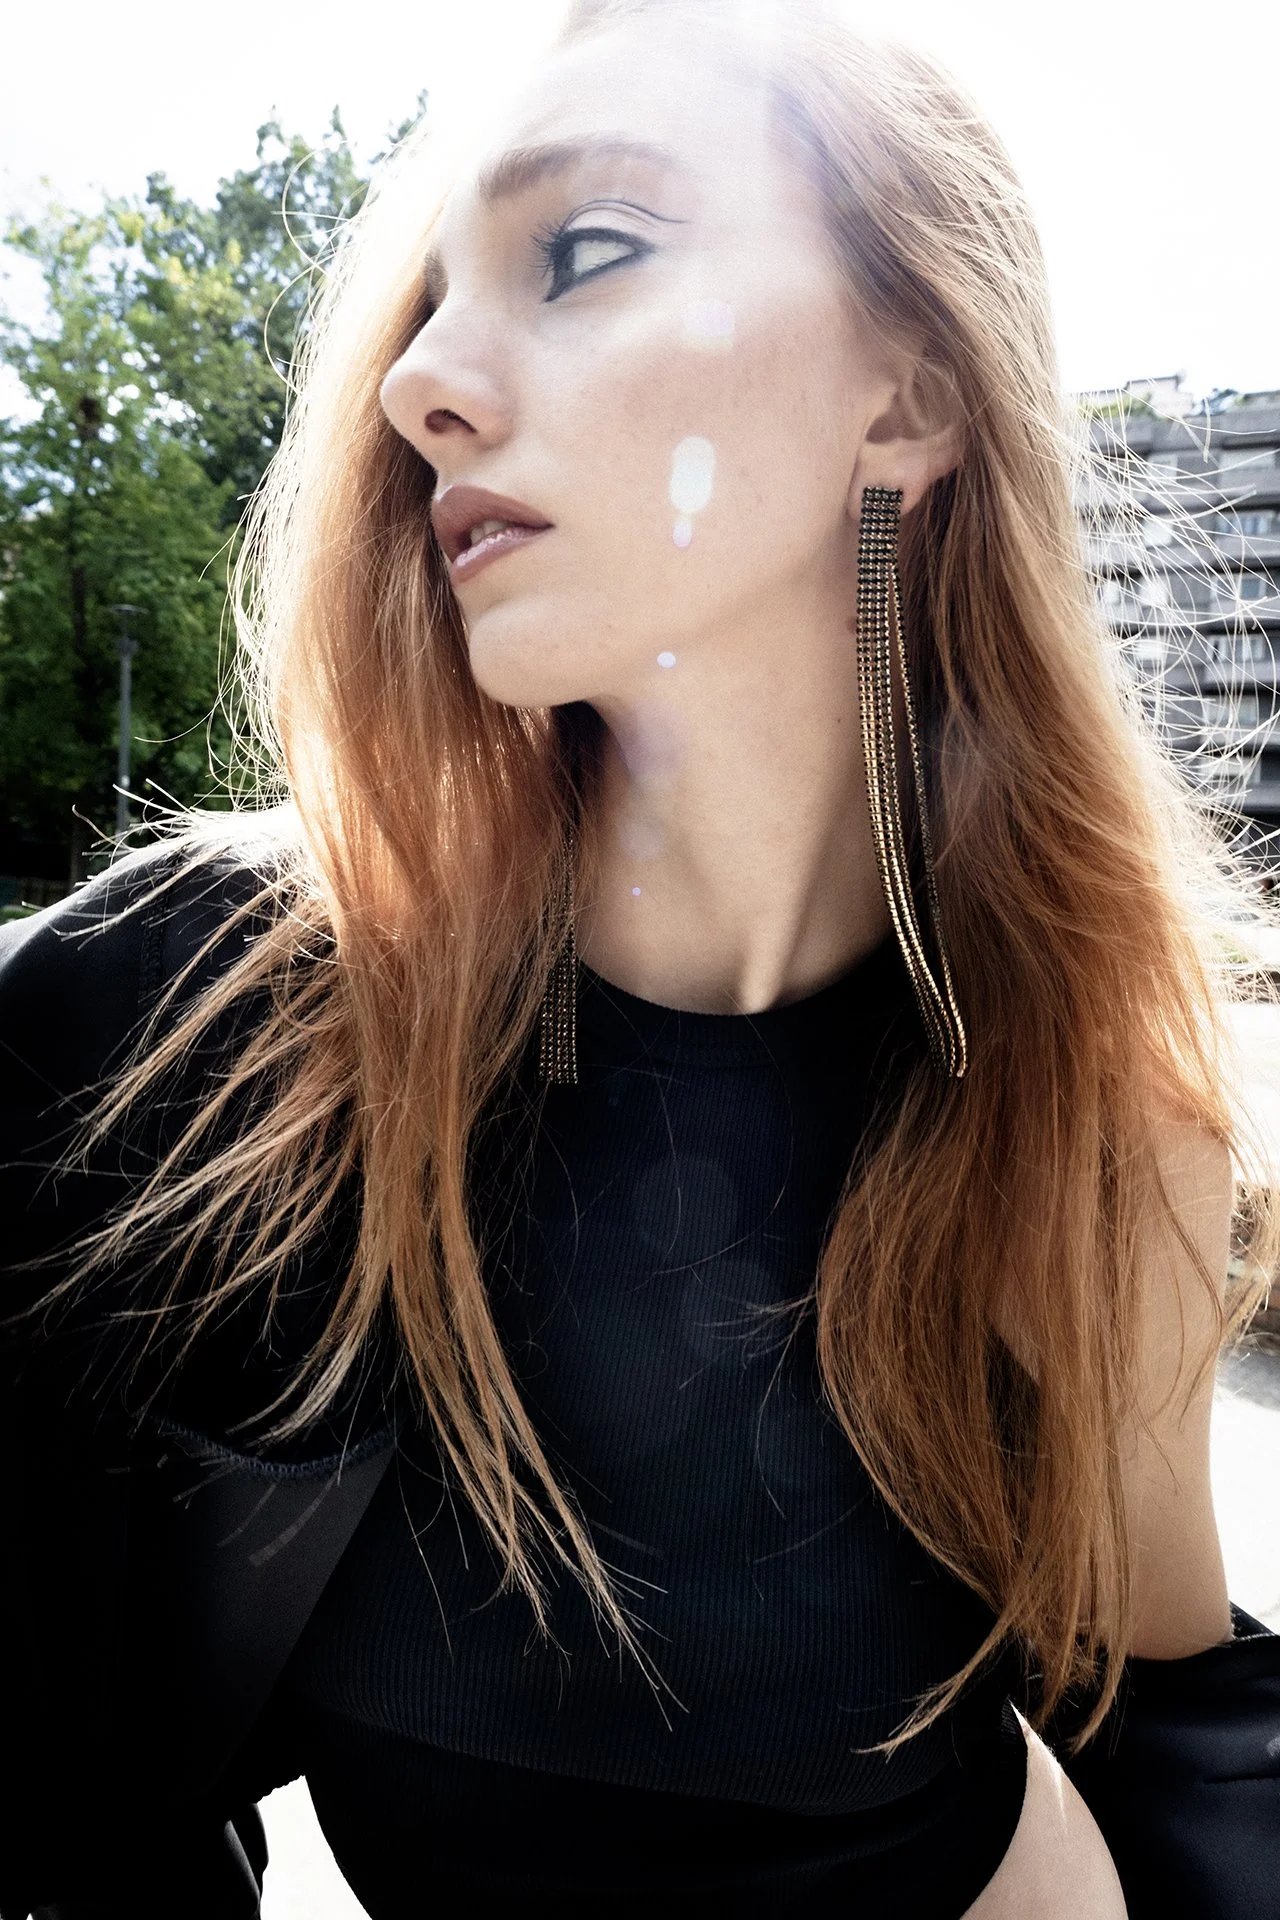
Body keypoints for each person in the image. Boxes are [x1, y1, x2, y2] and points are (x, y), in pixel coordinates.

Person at [2, 2, 1278, 1916]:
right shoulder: (185, 1028)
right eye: (428, 302)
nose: (421, 379)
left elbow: (1176, 1742)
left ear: (910, 398)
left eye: (586, 252)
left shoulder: (1084, 1117)